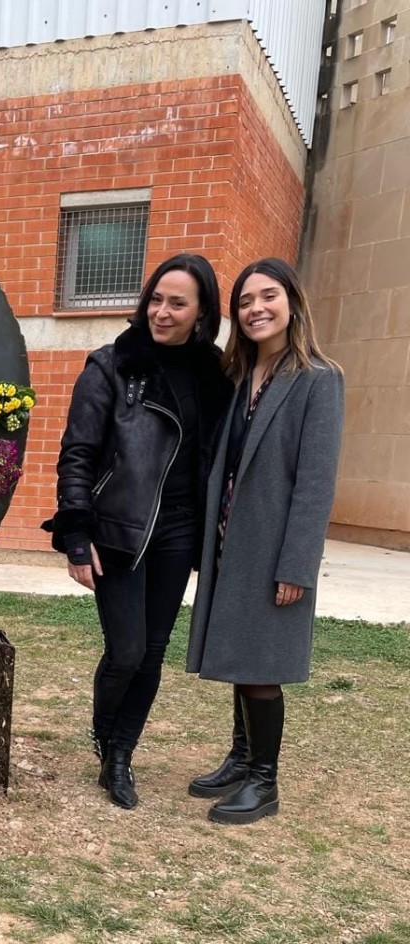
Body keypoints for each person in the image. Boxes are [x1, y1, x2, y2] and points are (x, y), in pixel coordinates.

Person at [42, 253, 232, 809]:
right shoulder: (111, 365)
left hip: (178, 532)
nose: (162, 312)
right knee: (124, 652)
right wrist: (76, 535)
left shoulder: (214, 375)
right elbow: (77, 454)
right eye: (157, 299)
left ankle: (120, 755)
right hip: (121, 531)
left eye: (178, 303)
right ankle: (105, 734)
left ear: (202, 313)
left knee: (152, 653)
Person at [186, 258, 344, 825]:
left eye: (268, 296)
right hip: (231, 538)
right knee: (238, 649)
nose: (256, 308)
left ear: (292, 303)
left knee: (261, 664)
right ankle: (240, 756)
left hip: (274, 546)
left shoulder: (318, 379)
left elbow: (316, 481)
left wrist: (297, 565)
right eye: (245, 301)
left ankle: (264, 782)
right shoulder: (239, 376)